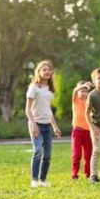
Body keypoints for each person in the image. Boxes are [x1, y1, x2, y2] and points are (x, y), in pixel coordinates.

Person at [25, 60, 61, 188]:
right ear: (38, 72)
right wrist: (33, 125)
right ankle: (34, 180)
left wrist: (55, 126)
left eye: (49, 70)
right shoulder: (34, 88)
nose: (47, 72)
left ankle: (43, 180)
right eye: (44, 69)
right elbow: (28, 109)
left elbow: (48, 110)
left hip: (47, 125)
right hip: (36, 124)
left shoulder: (50, 90)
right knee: (38, 150)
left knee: (47, 155)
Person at [71, 81, 93, 180]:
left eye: (85, 91)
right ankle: (74, 174)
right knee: (77, 154)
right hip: (78, 131)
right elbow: (75, 90)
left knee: (88, 155)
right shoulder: (75, 100)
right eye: (82, 91)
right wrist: (85, 85)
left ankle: (88, 173)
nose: (83, 93)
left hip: (88, 132)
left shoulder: (89, 103)